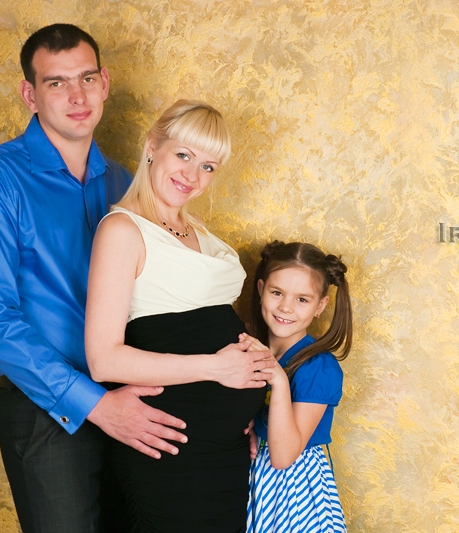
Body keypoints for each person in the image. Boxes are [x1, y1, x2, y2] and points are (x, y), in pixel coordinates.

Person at [0, 24, 271, 533]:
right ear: (30, 95)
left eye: (86, 78)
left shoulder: (127, 183)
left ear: (104, 83)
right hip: (50, 407)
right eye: (56, 83)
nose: (77, 96)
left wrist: (229, 407)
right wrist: (95, 403)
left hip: (141, 406)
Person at [85, 99, 268, 532]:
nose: (192, 175)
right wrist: (217, 370)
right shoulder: (123, 230)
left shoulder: (198, 229)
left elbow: (204, 325)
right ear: (153, 146)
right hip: (169, 451)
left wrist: (245, 397)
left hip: (224, 455)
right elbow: (104, 360)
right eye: (183, 155)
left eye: (208, 166)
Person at [245, 241, 353, 533]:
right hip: (251, 480)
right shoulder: (248, 349)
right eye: (277, 292)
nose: (285, 307)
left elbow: (283, 457)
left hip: (295, 488)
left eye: (302, 299)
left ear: (320, 306)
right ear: (261, 290)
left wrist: (279, 379)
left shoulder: (319, 367)